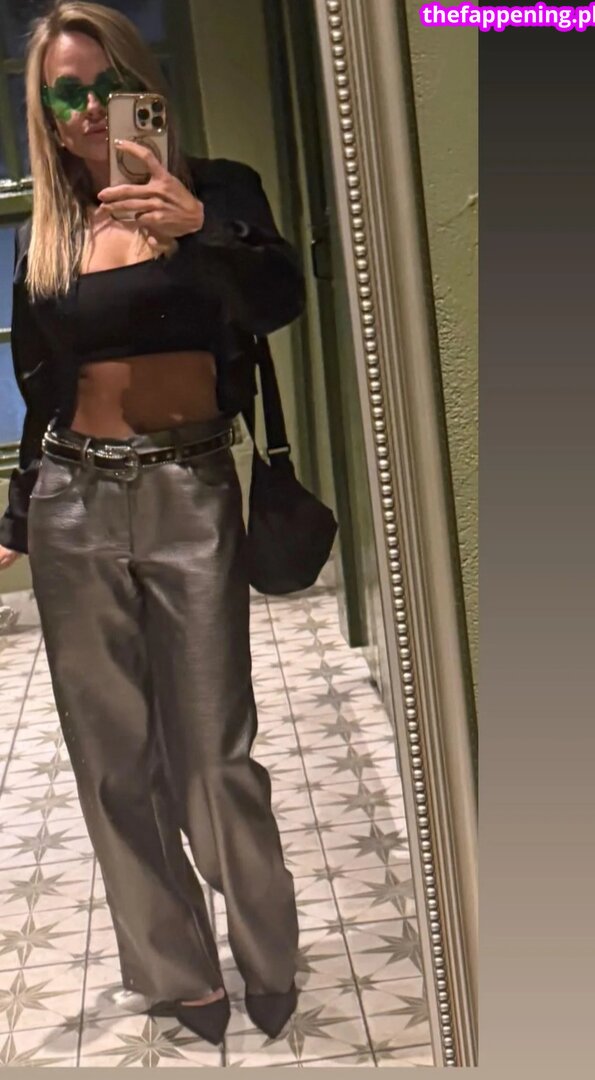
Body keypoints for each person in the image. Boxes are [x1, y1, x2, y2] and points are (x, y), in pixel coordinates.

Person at [0, 0, 305, 1047]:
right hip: (73, 502)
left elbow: (278, 298)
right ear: (45, 114)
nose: (89, 109)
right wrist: (18, 515)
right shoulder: (50, 234)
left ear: (143, 86)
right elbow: (42, 387)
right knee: (112, 760)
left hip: (190, 490)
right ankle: (178, 971)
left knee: (215, 753)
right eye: (66, 94)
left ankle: (267, 950)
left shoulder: (217, 191)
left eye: (105, 85)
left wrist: (199, 229)